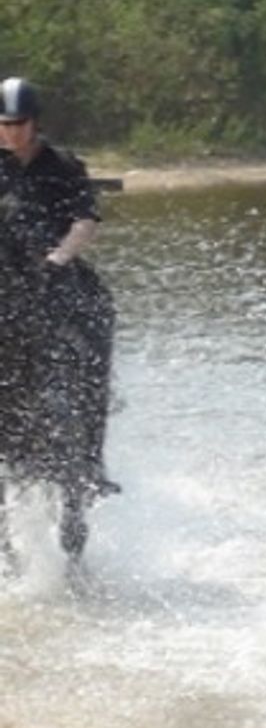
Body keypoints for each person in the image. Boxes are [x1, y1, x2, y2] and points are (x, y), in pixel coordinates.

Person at [0, 76, 117, 494]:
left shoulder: (63, 165)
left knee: (93, 333)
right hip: (5, 273)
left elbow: (85, 222)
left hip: (53, 272)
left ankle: (92, 459)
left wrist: (59, 258)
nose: (11, 131)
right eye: (5, 123)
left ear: (35, 123)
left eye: (19, 123)